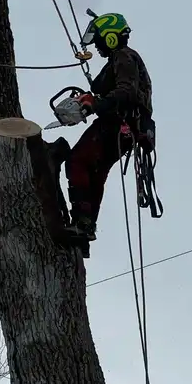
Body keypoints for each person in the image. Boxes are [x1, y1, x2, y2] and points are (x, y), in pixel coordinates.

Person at [64, 13, 154, 241]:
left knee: (77, 160)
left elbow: (126, 92)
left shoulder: (123, 56)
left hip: (117, 124)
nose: (98, 47)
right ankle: (85, 231)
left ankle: (82, 222)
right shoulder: (121, 61)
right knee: (96, 173)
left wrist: (96, 104)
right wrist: (91, 100)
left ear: (111, 38)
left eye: (100, 41)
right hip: (125, 129)